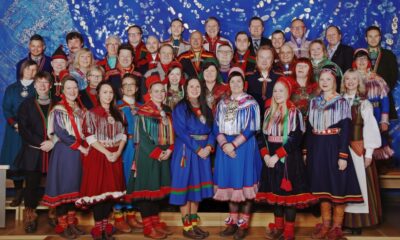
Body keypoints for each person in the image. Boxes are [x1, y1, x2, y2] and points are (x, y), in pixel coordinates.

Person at [305, 65, 363, 240]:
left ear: (335, 81)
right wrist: (307, 151)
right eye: (322, 79)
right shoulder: (313, 102)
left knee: (337, 187)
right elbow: (309, 129)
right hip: (318, 148)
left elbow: (346, 130)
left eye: (328, 79)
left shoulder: (342, 102)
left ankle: (337, 227)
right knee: (322, 187)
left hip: (334, 147)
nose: (324, 82)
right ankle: (325, 224)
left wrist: (343, 155)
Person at [256, 77, 317, 240]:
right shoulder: (268, 112)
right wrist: (266, 155)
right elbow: (261, 136)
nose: (277, 94)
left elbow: (295, 139)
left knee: (289, 198)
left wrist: (277, 156)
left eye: (281, 90)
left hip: (288, 160)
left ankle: (289, 231)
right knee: (275, 197)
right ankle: (278, 227)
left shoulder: (294, 112)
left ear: (288, 92)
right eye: (275, 90)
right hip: (270, 159)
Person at [125, 75, 174, 239]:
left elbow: (172, 133)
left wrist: (170, 150)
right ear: (150, 93)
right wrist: (158, 153)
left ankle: (155, 222)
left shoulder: (167, 110)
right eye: (156, 91)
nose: (160, 94)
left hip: (164, 156)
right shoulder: (143, 112)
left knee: (157, 189)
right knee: (147, 190)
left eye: (162, 91)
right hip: (148, 156)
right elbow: (141, 138)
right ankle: (148, 226)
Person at [213, 71, 261, 240]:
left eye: (238, 81)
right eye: (232, 81)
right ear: (229, 83)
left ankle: (244, 224)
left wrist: (233, 145)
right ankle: (232, 222)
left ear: (243, 83)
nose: (235, 84)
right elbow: (216, 126)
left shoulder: (250, 103)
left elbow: (251, 128)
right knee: (231, 183)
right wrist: (224, 144)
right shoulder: (224, 103)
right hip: (225, 146)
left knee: (245, 184)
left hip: (243, 146)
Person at [76, 82, 126, 240]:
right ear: (98, 94)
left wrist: (117, 153)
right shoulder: (92, 113)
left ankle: (105, 229)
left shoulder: (119, 113)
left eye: (110, 92)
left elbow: (124, 135)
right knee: (99, 192)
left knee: (110, 194)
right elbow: (90, 138)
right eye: (105, 92)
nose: (108, 95)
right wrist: (107, 152)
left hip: (114, 156)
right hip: (98, 155)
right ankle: (99, 231)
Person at [42, 76, 88, 239]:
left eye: (75, 88)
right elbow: (61, 133)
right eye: (68, 88)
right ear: (62, 90)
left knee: (74, 188)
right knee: (64, 188)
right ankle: (63, 225)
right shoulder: (59, 109)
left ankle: (71, 223)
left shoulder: (81, 108)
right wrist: (81, 147)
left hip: (78, 153)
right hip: (66, 152)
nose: (72, 91)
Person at [170, 77, 215, 239]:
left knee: (196, 190)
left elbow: (213, 131)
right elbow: (181, 132)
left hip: (203, 153)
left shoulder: (206, 108)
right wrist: (198, 149)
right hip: (187, 152)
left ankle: (194, 225)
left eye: (197, 86)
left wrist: (209, 147)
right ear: (185, 88)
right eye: (191, 86)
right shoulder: (180, 107)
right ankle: (187, 227)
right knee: (186, 188)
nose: (195, 89)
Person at [340, 69, 382, 235]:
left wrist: (369, 153)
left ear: (359, 82)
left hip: (357, 150)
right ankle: (342, 221)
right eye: (347, 79)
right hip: (341, 151)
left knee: (359, 184)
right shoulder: (338, 101)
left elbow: (370, 128)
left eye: (354, 79)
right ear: (343, 82)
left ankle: (357, 223)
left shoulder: (364, 103)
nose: (350, 82)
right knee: (342, 185)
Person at [14, 71, 54, 233]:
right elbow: (24, 128)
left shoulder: (57, 102)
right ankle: (30, 216)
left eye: (46, 83)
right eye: (39, 83)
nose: (43, 86)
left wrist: (53, 142)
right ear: (35, 85)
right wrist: (40, 143)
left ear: (50, 85)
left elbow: (64, 125)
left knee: (54, 184)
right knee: (31, 186)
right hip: (33, 151)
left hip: (53, 150)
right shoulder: (26, 104)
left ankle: (54, 214)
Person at [0, 60, 38, 207]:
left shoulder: (38, 88)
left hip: (32, 131)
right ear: (23, 69)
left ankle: (29, 194)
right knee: (15, 161)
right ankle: (18, 192)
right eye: (28, 69)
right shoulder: (12, 88)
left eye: (34, 70)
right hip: (15, 131)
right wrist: (15, 124)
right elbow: (6, 109)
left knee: (30, 162)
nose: (31, 72)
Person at [114, 74, 143, 233]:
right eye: (126, 84)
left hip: (140, 148)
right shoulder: (116, 107)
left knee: (134, 179)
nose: (129, 87)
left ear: (137, 88)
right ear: (121, 89)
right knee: (122, 178)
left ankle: (131, 215)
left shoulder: (142, 106)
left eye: (132, 84)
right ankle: (118, 217)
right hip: (124, 147)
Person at [352, 48, 393, 160]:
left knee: (379, 138)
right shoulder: (350, 78)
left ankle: (379, 166)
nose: (361, 61)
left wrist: (384, 120)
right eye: (358, 59)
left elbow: (384, 100)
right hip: (358, 115)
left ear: (368, 62)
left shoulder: (377, 79)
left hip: (376, 113)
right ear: (354, 62)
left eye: (364, 59)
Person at [365, 25, 398, 120]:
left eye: (376, 36)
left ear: (380, 38)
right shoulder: (360, 55)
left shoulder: (389, 55)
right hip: (364, 100)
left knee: (383, 131)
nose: (373, 39)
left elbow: (394, 77)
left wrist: (381, 84)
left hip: (384, 99)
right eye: (370, 36)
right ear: (366, 38)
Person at [246, 46, 279, 116]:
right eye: (262, 57)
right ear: (257, 59)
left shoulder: (279, 77)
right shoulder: (247, 76)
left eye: (268, 58)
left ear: (272, 60)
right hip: (252, 115)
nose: (264, 61)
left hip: (273, 116)